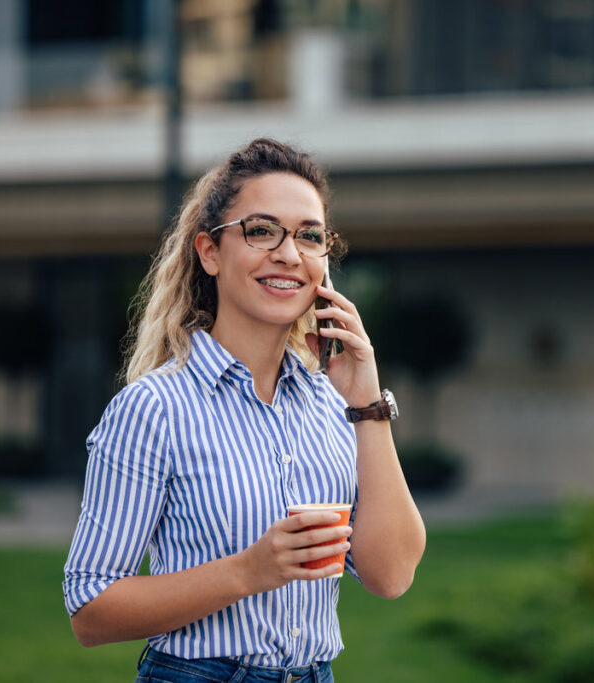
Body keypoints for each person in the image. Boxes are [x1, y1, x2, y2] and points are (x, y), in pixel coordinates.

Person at [63, 138, 426, 682]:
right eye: (261, 231)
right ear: (210, 252)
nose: (288, 253)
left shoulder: (333, 404)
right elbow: (91, 610)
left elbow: (392, 574)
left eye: (309, 236)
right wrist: (249, 571)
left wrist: (367, 405)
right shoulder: (154, 409)